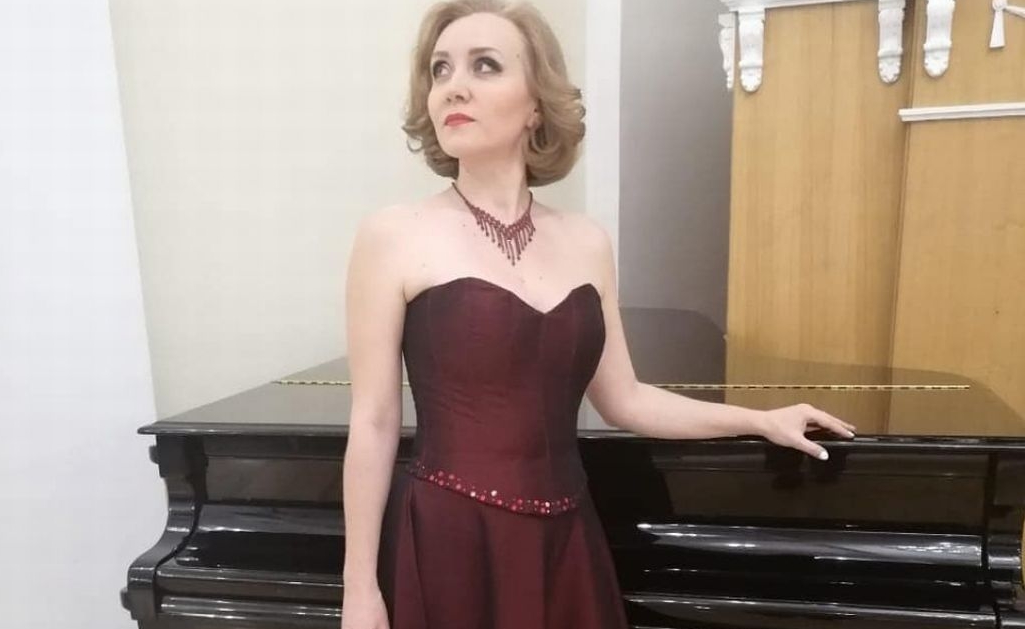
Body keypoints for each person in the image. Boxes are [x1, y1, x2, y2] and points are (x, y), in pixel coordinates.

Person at [339, 1, 857, 627]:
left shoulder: (586, 242)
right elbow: (374, 421)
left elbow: (625, 399)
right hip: (450, 541)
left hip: (567, 543)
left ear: (536, 104)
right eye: (440, 69)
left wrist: (759, 419)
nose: (454, 85)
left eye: (485, 65)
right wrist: (360, 589)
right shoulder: (393, 235)